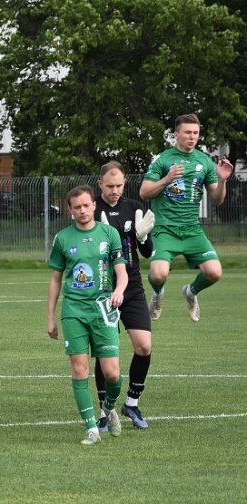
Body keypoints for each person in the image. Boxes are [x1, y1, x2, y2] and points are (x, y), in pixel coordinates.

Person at [47, 185, 127, 445]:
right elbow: (56, 280)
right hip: (74, 312)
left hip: (104, 310)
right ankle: (91, 427)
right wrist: (50, 317)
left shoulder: (109, 234)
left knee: (112, 374)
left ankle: (109, 406)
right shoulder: (62, 239)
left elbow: (121, 272)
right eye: (76, 207)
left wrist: (119, 290)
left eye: (86, 205)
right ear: (70, 211)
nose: (82, 210)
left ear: (94, 205)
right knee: (79, 369)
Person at [139, 113, 234, 322]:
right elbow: (144, 192)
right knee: (158, 274)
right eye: (188, 132)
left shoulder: (204, 161)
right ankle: (158, 294)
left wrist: (222, 180)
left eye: (196, 133)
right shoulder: (163, 159)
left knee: (215, 272)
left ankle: (190, 293)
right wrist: (167, 179)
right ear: (176, 134)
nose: (192, 137)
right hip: (165, 228)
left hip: (192, 230)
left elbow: (217, 199)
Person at [96, 161, 155, 429]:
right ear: (100, 184)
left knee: (143, 346)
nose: (115, 191)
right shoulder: (92, 210)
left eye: (119, 185)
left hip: (132, 286)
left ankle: (131, 403)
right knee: (105, 352)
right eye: (110, 186)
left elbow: (147, 253)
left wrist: (143, 238)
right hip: (102, 289)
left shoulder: (135, 208)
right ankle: (103, 411)